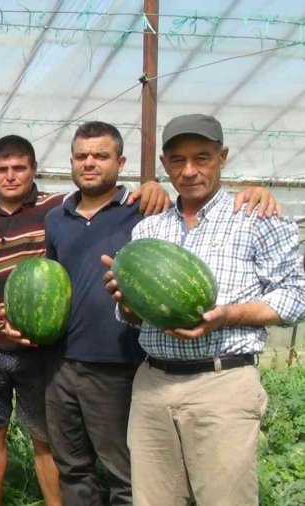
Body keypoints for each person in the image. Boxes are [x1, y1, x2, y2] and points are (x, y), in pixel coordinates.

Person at [43, 121, 278, 506]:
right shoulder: (62, 218)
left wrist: (255, 190)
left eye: (101, 156)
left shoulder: (143, 209)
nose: (90, 163)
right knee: (80, 469)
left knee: (129, 475)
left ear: (120, 163)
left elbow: (189, 194)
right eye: (82, 156)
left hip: (126, 365)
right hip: (75, 365)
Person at [0, 134, 171, 506]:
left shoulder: (57, 208)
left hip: (41, 345)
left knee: (47, 440)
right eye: (2, 169)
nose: (10, 176)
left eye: (19, 168)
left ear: (33, 169)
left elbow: (99, 199)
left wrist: (152, 185)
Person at [102, 114, 305, 506]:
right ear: (164, 164)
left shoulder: (256, 217)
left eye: (203, 158)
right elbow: (133, 318)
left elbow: (297, 296)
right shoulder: (148, 230)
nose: (189, 171)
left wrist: (227, 315)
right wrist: (126, 304)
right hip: (153, 385)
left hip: (222, 383)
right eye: (178, 161)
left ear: (222, 157)